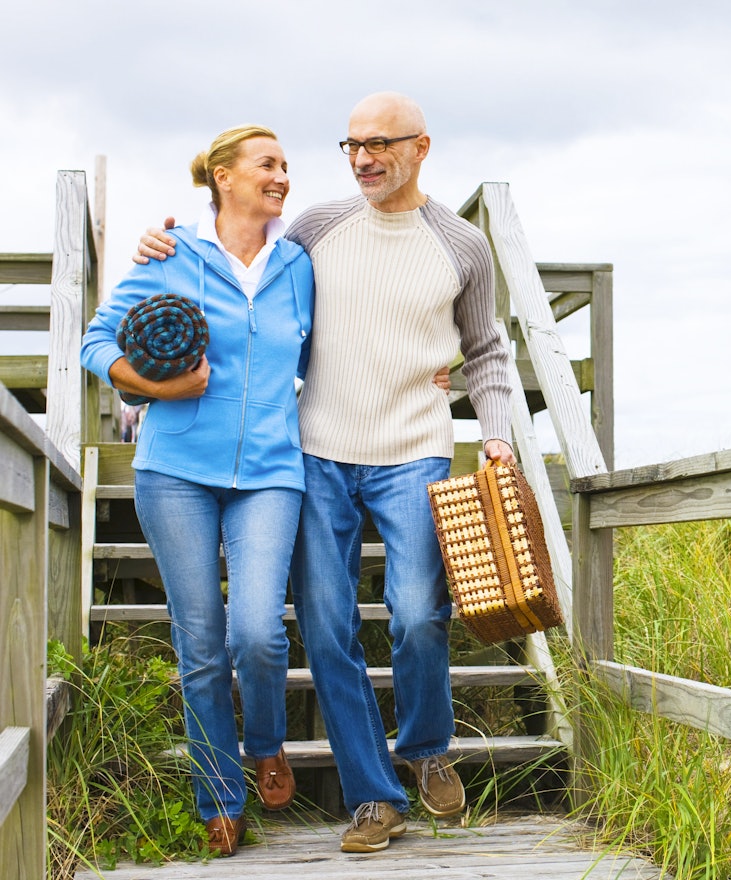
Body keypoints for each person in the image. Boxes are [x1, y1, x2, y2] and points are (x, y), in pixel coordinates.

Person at [137, 92, 517, 855]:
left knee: (414, 611)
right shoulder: (315, 227)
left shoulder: (462, 246)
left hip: (414, 446)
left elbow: (486, 350)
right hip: (317, 448)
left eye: (379, 143)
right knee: (327, 626)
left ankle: (427, 745)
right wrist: (164, 239)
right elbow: (243, 254)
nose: (363, 157)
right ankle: (374, 796)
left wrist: (499, 433)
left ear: (421, 146)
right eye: (351, 145)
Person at [84, 126, 313, 856]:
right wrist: (154, 385)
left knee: (256, 630)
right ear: (222, 176)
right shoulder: (172, 252)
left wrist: (431, 367)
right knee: (203, 644)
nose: (281, 176)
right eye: (267, 164)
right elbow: (97, 342)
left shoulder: (298, 265)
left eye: (284, 166)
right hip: (175, 470)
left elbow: (332, 346)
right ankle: (218, 791)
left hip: (272, 472)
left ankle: (267, 740)